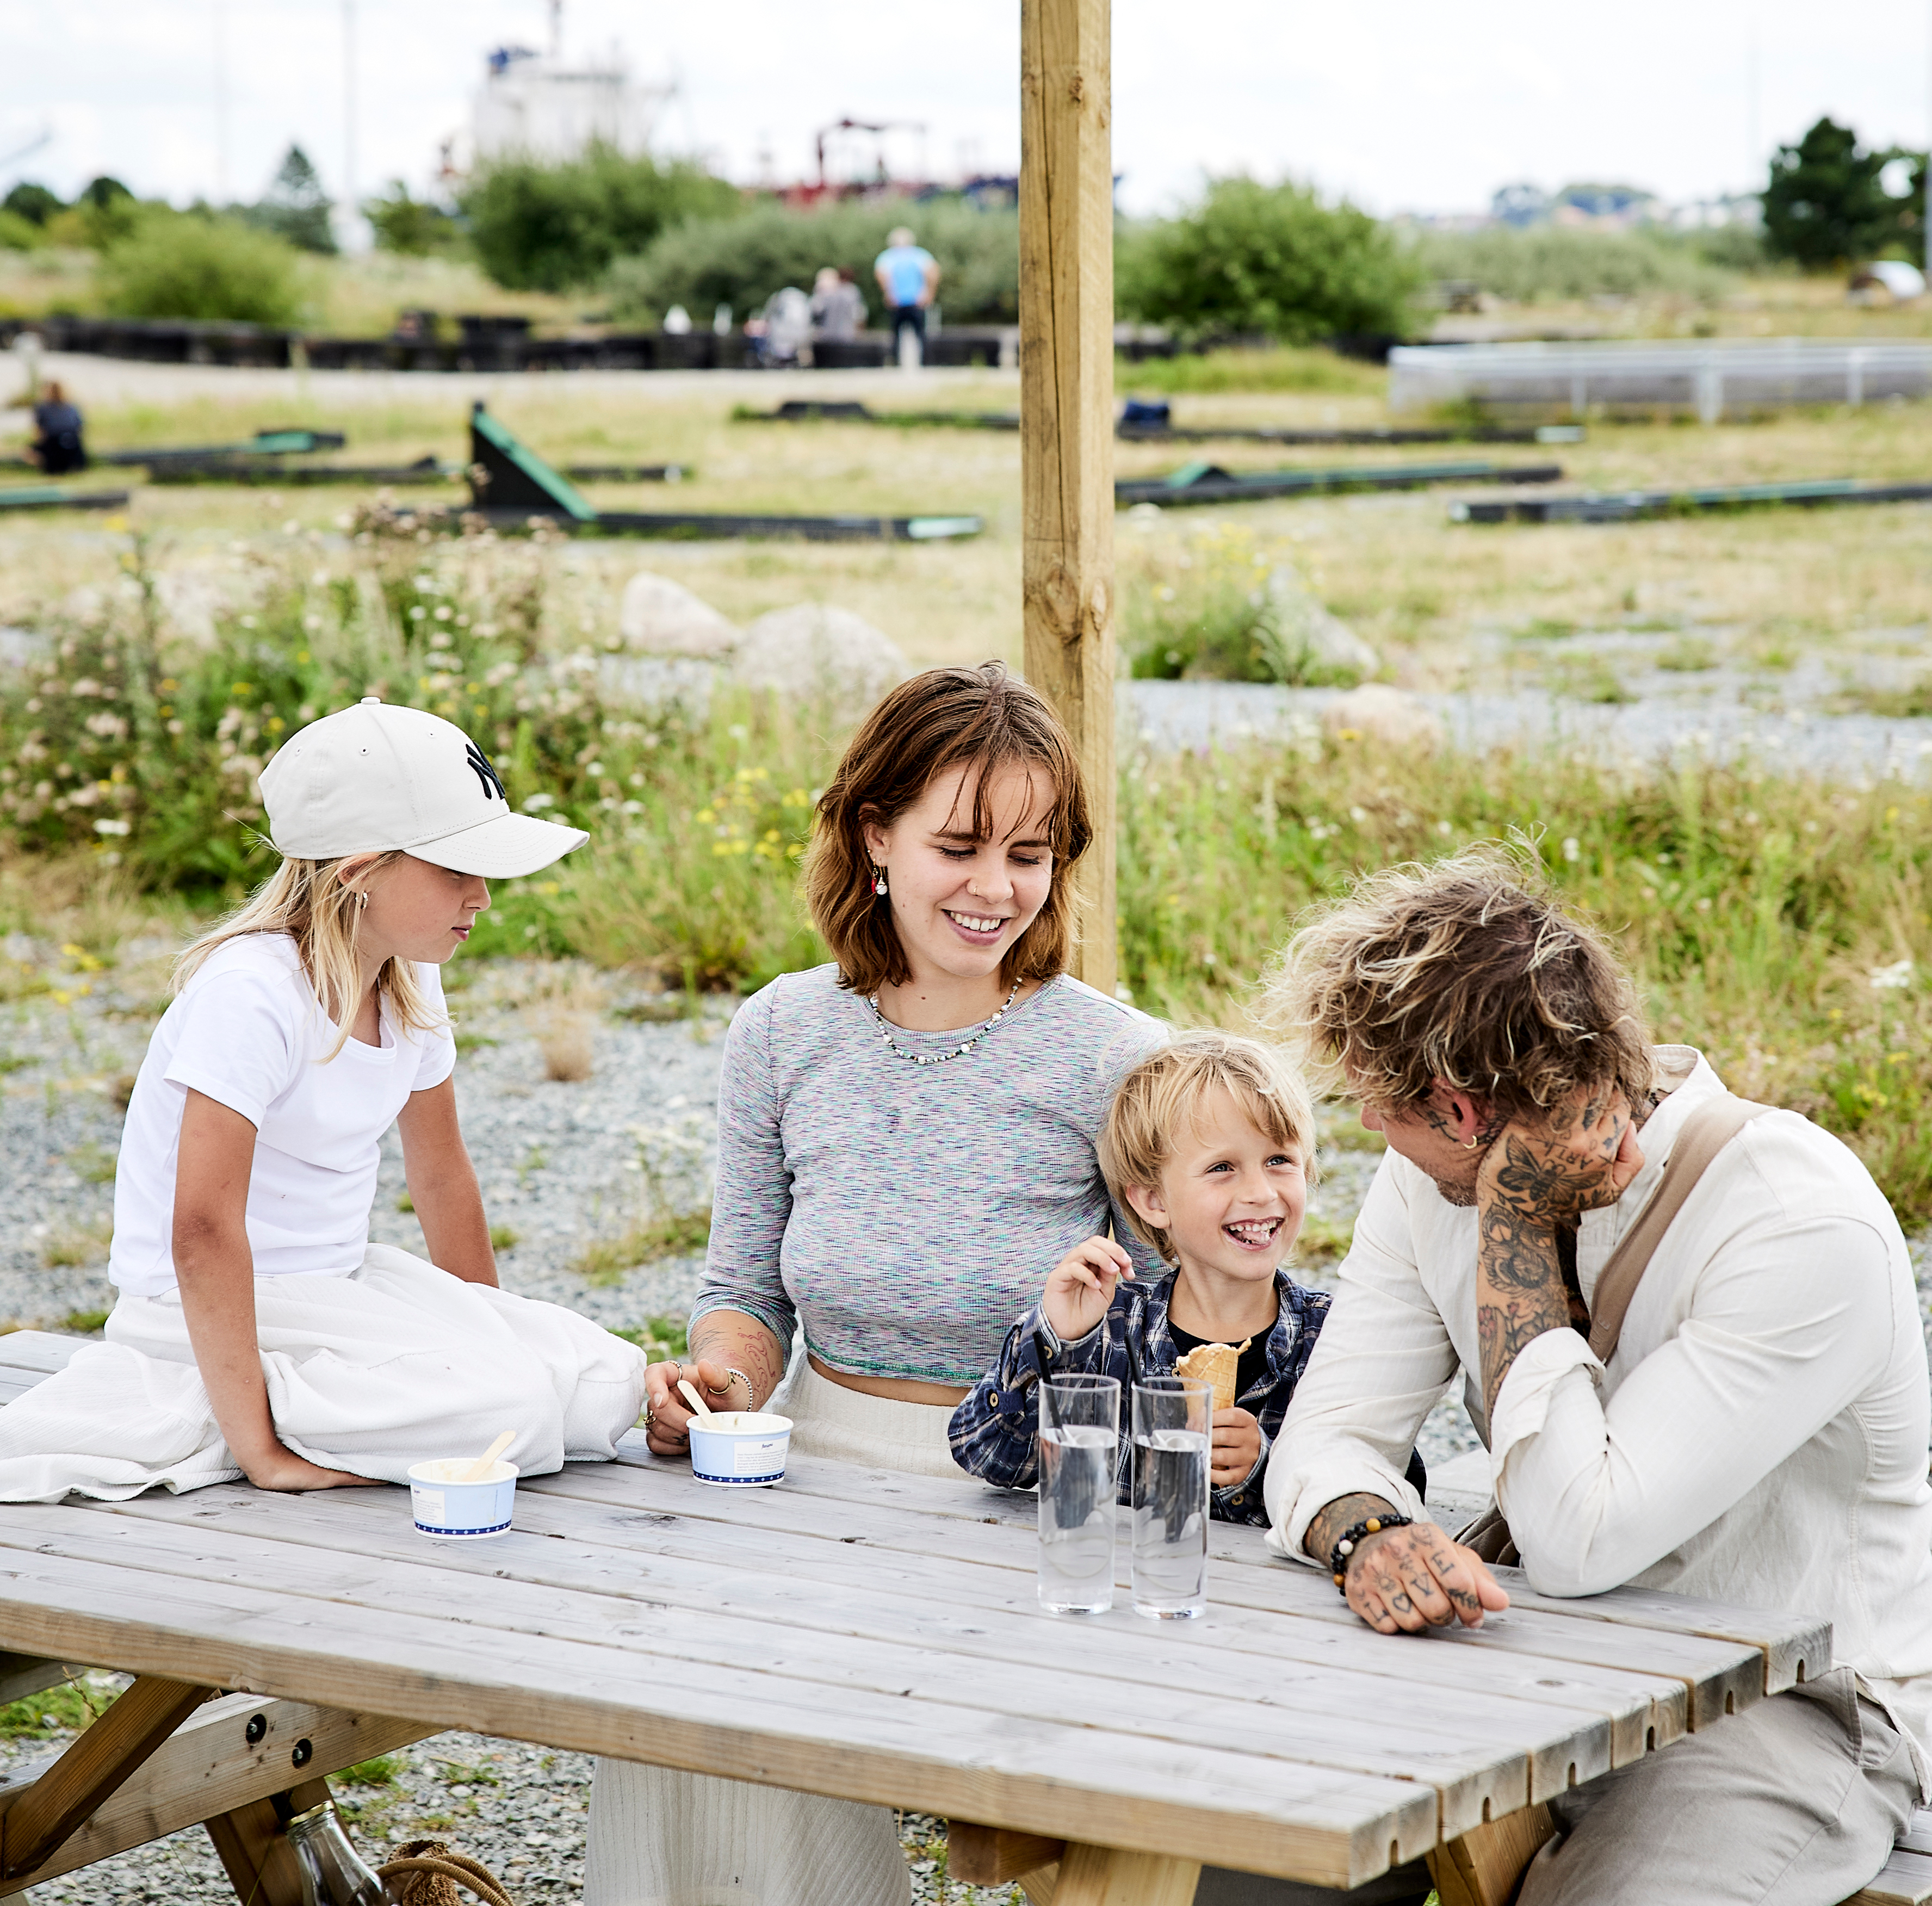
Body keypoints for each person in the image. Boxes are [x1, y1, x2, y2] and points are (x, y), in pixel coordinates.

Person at [587, 662, 1167, 1906]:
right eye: (959, 847)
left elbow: (1182, 1328)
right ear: (873, 836)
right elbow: (746, 1288)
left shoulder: (1118, 1058)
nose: (996, 888)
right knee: (683, 1682)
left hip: (1021, 1493)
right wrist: (718, 1382)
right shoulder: (781, 1031)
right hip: (808, 1460)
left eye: (1028, 854)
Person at [1262, 846, 1932, 1906]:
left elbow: (1582, 1538)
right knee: (1249, 1861)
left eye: (1374, 1100)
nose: (1365, 1126)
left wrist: (1514, 1224)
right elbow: (1326, 1435)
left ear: (1458, 1110)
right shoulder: (1420, 1180)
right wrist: (1368, 1533)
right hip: (1526, 1650)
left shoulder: (1796, 1221)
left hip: (1787, 1703)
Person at [0, 699, 649, 1502]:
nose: (482, 897)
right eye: (456, 872)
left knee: (606, 1382)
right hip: (201, 1303)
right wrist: (264, 1458)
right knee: (514, 1410)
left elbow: (441, 1174)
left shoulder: (410, 975)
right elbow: (201, 1230)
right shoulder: (250, 993)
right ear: (360, 875)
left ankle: (331, 1404)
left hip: (336, 1289)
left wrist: (492, 1333)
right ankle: (229, 1407)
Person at [950, 1029, 1337, 1525]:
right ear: (1153, 1201)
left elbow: (1396, 1479)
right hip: (1122, 1573)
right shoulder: (1106, 1332)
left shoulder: (1332, 1339)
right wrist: (1054, 1336)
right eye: (1223, 1167)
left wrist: (1269, 1467)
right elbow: (985, 1452)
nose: (1261, 1192)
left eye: (1279, 1160)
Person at [873, 225, 938, 367]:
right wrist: (889, 293)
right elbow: (881, 275)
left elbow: (933, 272)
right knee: (896, 335)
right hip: (898, 301)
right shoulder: (890, 256)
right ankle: (896, 362)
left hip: (916, 301)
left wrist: (928, 293)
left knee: (920, 334)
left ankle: (925, 362)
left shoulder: (918, 255)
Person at [29, 380, 86, 474]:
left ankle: (46, 465)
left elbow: (40, 432)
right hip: (73, 442)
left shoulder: (43, 408)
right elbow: (79, 427)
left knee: (30, 451)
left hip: (53, 442)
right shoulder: (72, 406)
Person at [809, 265, 866, 341]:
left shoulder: (846, 292)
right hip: (845, 335)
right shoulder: (852, 291)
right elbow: (859, 313)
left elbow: (816, 310)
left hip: (830, 335)